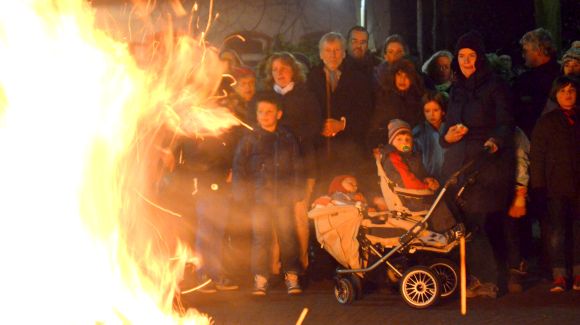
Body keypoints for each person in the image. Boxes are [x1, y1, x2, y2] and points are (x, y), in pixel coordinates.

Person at [440, 31, 515, 298]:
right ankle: (472, 277)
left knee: (477, 223)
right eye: (461, 56)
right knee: (463, 225)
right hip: (458, 164)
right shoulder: (456, 89)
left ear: (480, 59)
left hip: (484, 165)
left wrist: (494, 141)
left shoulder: (495, 86)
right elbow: (447, 126)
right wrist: (447, 136)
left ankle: (489, 280)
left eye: (471, 56)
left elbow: (506, 123)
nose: (466, 61)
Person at [232, 94, 305, 296]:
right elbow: (239, 167)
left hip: (282, 197)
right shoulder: (249, 139)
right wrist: (241, 193)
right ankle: (261, 278)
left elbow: (297, 166)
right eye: (261, 112)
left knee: (287, 237)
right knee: (260, 239)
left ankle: (291, 275)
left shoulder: (287, 138)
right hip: (259, 198)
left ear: (278, 114)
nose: (264, 116)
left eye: (269, 112)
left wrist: (297, 190)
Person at [263, 51, 322, 271]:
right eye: (275, 69)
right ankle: (274, 265)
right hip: (273, 167)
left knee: (299, 214)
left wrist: (292, 141)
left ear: (293, 71)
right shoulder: (267, 97)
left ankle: (302, 262)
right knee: (275, 216)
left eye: (284, 68)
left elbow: (314, 126)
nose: (280, 73)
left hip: (303, 164)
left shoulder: (306, 96)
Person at [530, 76, 580, 292]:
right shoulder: (547, 122)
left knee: (578, 231)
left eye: (571, 90)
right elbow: (537, 157)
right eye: (563, 91)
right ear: (555, 94)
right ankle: (559, 273)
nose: (567, 95)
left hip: (578, 186)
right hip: (555, 187)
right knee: (557, 232)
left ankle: (578, 273)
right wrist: (539, 187)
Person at [307, 32, 373, 182]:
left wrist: (343, 124)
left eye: (337, 50)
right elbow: (307, 112)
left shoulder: (359, 78)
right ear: (321, 54)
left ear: (344, 53)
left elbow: (366, 112)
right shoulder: (310, 78)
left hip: (350, 151)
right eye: (328, 51)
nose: (333, 55)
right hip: (320, 152)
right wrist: (319, 126)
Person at [379, 119, 457, 234]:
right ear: (391, 142)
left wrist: (429, 180)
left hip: (417, 192)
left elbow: (421, 174)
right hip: (407, 198)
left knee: (445, 194)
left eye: (407, 139)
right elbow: (407, 181)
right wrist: (426, 187)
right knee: (437, 202)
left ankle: (456, 227)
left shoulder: (411, 156)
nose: (404, 143)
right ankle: (448, 231)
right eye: (399, 139)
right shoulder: (393, 157)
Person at [513, 28, 560, 138]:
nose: (523, 55)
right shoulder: (561, 74)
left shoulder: (526, 81)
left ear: (538, 51)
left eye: (525, 51)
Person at [370, 58, 426, 148]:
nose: (402, 80)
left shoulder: (418, 98)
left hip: (412, 147)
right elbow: (376, 126)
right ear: (394, 76)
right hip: (388, 148)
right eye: (399, 75)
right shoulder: (385, 97)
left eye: (406, 76)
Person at [412, 91, 448, 183]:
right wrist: (423, 177)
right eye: (427, 111)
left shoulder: (449, 129)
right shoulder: (418, 132)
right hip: (428, 180)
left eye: (436, 110)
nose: (431, 114)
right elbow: (410, 154)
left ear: (443, 111)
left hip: (449, 179)